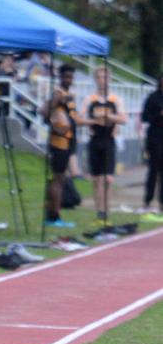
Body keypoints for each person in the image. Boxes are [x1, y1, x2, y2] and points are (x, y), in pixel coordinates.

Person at [82, 66, 127, 225]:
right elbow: (80, 120)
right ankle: (99, 212)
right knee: (96, 179)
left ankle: (106, 211)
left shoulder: (115, 100)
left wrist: (109, 116)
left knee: (108, 178)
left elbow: (123, 119)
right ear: (96, 79)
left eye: (106, 77)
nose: (103, 80)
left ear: (110, 80)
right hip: (95, 140)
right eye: (100, 77)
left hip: (109, 140)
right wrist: (94, 120)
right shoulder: (90, 99)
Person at [42, 64, 84, 227]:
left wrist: (92, 121)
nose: (69, 79)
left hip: (68, 141)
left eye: (71, 77)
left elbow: (74, 118)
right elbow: (45, 111)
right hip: (59, 142)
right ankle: (53, 216)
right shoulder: (58, 93)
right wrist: (56, 126)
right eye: (66, 76)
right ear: (60, 77)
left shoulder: (68, 94)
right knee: (58, 179)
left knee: (60, 178)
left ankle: (53, 214)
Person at [140, 75, 163, 217]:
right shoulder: (152, 97)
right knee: (153, 170)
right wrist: (158, 114)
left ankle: (162, 202)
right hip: (154, 137)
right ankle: (147, 201)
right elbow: (144, 117)